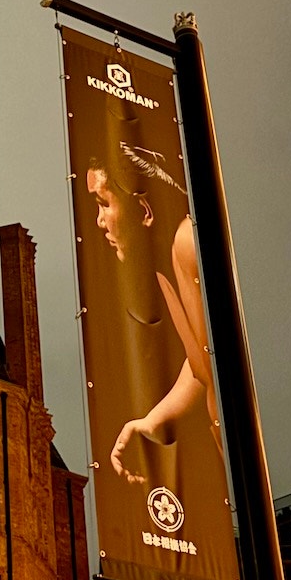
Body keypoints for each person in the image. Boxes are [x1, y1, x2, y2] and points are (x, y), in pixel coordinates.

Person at [83, 144, 223, 486]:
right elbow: (202, 363)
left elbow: (223, 373)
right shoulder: (168, 263)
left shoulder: (186, 242)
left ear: (144, 210)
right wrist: (152, 420)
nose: (99, 221)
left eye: (104, 204)